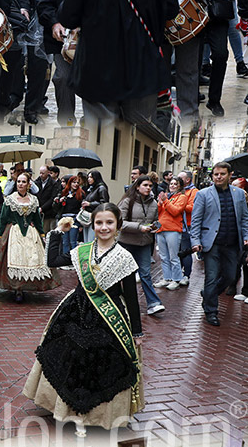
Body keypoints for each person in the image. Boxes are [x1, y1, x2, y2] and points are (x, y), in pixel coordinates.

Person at [24, 203, 143, 433]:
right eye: (99, 222)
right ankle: (70, 411)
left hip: (108, 319)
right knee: (72, 361)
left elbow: (131, 297)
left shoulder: (125, 258)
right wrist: (58, 233)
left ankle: (94, 415)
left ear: (118, 225)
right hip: (76, 312)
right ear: (93, 224)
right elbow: (54, 261)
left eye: (109, 222)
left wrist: (136, 331)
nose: (104, 227)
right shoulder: (82, 251)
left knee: (99, 366)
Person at [190, 161, 248, 326]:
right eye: (216, 174)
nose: (219, 177)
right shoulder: (203, 194)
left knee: (230, 276)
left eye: (222, 174)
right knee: (211, 277)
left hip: (232, 244)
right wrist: (195, 240)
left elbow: (244, 218)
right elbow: (196, 221)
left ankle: (208, 294)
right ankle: (211, 311)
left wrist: (246, 235)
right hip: (211, 244)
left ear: (230, 176)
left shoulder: (239, 194)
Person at [0, 170, 56, 300]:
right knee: (13, 260)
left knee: (31, 259)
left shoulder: (34, 200)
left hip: (30, 234)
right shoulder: (10, 199)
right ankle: (17, 289)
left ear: (28, 184)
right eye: (18, 182)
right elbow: (3, 219)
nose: (20, 184)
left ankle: (26, 287)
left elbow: (37, 219)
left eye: (23, 182)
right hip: (13, 233)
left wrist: (41, 233)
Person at [118, 174, 163, 316]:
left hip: (144, 243)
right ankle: (121, 302)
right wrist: (139, 227)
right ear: (137, 187)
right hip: (127, 243)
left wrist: (155, 227)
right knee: (125, 275)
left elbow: (155, 220)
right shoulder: (127, 201)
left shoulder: (154, 203)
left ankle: (153, 303)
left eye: (150, 186)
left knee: (145, 274)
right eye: (145, 185)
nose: (148, 188)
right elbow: (120, 223)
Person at [155, 176, 189, 291]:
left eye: (175, 184)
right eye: (171, 184)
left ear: (180, 186)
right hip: (161, 229)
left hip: (173, 230)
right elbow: (158, 213)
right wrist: (160, 203)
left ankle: (176, 279)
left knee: (173, 257)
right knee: (164, 257)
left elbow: (175, 212)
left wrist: (164, 201)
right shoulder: (167, 197)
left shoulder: (182, 197)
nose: (172, 186)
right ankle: (167, 278)